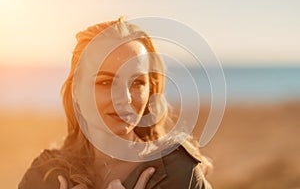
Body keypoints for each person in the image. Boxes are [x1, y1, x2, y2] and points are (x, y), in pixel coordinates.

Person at [19, 18, 212, 189]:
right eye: (105, 82)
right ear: (75, 90)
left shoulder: (179, 175)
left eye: (137, 83)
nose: (126, 98)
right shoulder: (43, 175)